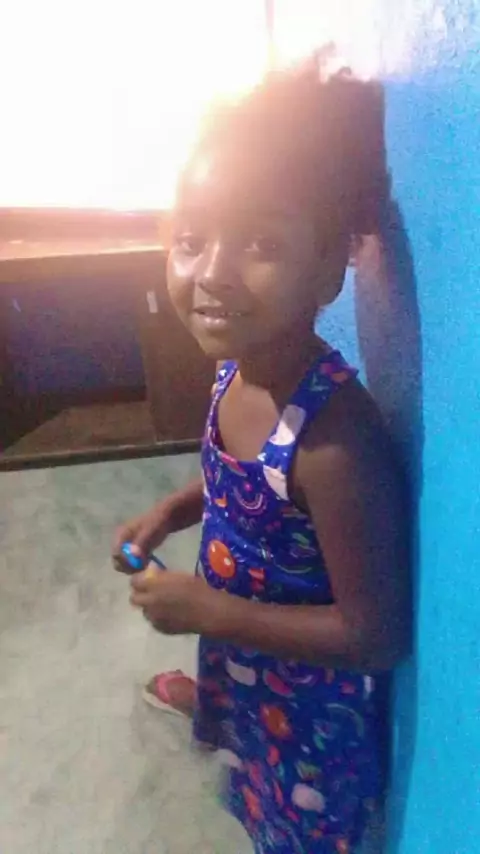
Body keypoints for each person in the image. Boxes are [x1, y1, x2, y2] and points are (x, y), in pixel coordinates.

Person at [113, 59, 411, 854]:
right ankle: (216, 708)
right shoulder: (236, 366)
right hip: (242, 652)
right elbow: (236, 484)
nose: (212, 274)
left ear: (328, 269)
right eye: (190, 240)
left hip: (306, 708)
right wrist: (172, 510)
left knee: (289, 825)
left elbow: (376, 634)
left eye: (260, 244)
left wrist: (208, 611)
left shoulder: (333, 443)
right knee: (239, 751)